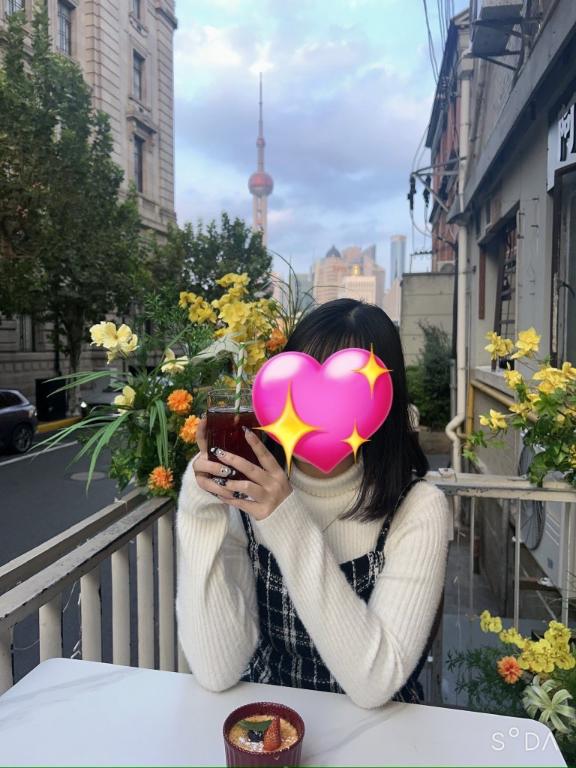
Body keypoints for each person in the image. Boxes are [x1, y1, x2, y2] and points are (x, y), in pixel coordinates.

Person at [176, 298, 450, 709]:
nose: (311, 410)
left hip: (381, 733)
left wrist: (285, 519)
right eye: (298, 389)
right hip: (273, 724)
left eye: (345, 394)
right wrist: (200, 508)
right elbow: (217, 670)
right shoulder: (251, 490)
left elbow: (376, 683)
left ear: (383, 402)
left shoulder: (418, 509)